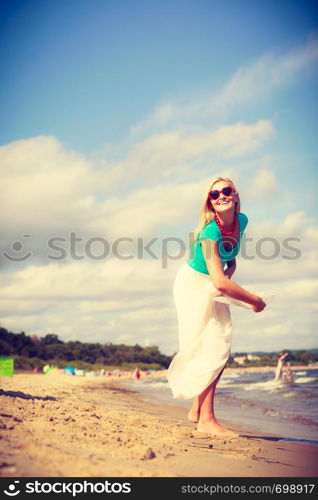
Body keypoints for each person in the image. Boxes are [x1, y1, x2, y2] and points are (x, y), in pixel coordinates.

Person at [167, 176, 266, 437]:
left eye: (226, 190)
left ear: (235, 196)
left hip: (211, 280)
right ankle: (206, 420)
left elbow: (229, 255)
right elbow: (220, 283)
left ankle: (198, 409)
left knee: (221, 343)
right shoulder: (209, 232)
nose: (221, 195)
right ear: (210, 203)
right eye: (214, 194)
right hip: (193, 285)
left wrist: (232, 263)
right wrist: (255, 300)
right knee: (209, 344)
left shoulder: (242, 220)